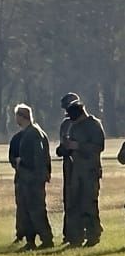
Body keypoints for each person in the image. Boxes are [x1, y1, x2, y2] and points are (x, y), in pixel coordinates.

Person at [11, 104, 53, 251]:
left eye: (17, 115)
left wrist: (21, 162)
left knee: (35, 210)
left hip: (31, 179)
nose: (15, 118)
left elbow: (37, 157)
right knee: (28, 210)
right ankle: (32, 241)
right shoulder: (37, 132)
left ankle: (46, 239)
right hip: (32, 178)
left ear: (22, 117)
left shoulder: (32, 134)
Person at [63, 100, 106, 247]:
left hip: (90, 171)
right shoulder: (74, 127)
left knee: (89, 203)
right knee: (75, 204)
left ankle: (94, 234)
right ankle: (77, 237)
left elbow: (99, 147)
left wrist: (79, 146)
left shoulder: (94, 125)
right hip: (76, 171)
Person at [56, 92, 81, 245]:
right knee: (69, 199)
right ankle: (69, 232)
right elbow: (63, 145)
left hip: (81, 166)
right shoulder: (66, 124)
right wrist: (63, 149)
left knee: (82, 199)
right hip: (69, 167)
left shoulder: (85, 123)